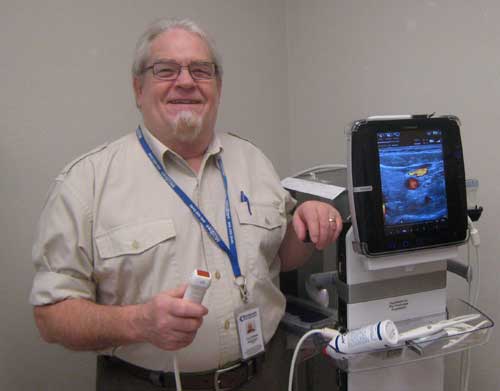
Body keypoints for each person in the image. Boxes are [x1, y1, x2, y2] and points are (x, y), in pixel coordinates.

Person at [30, 17, 342, 390]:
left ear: (218, 86)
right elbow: (51, 316)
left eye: (201, 70)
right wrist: (138, 322)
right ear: (138, 88)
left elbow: (282, 257)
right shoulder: (86, 184)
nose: (186, 81)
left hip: (265, 374)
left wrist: (305, 227)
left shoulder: (254, 162)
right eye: (166, 70)